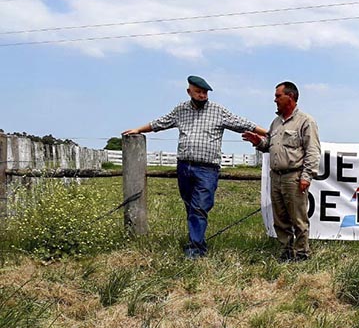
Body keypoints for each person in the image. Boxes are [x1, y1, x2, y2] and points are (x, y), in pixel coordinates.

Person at [123, 76, 266, 259]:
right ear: (189, 91)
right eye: (198, 92)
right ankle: (196, 240)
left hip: (207, 168)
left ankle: (195, 250)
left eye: (204, 92)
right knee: (190, 206)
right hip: (184, 166)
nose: (202, 95)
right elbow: (160, 122)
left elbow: (244, 124)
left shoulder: (218, 111)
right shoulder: (181, 110)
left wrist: (268, 133)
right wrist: (139, 130)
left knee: (199, 207)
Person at [242, 81, 321, 262]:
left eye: (278, 96)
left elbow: (313, 151)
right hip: (276, 177)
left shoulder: (306, 121)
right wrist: (258, 142)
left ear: (290, 97)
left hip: (294, 176)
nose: (275, 100)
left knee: (298, 219)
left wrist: (306, 177)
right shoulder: (276, 122)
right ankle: (286, 252)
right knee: (280, 219)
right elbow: (269, 146)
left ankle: (302, 254)